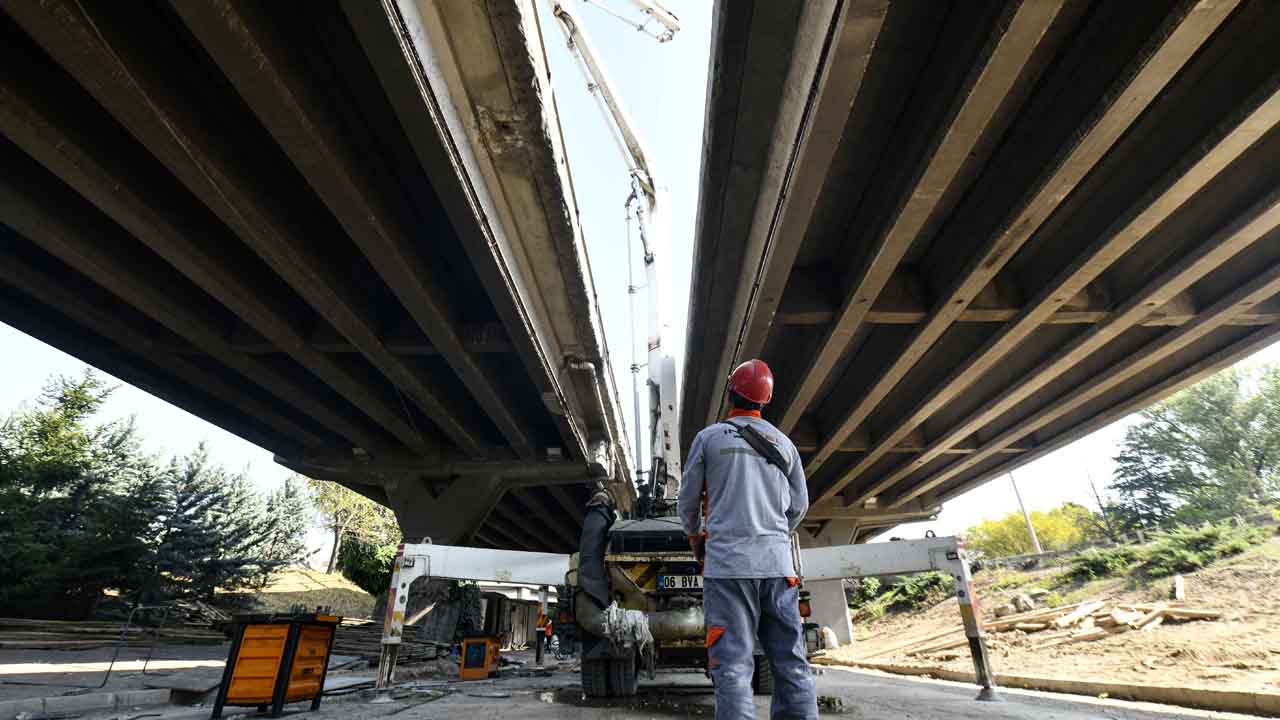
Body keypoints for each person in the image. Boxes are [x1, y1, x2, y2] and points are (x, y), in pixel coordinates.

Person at [678, 359, 817, 720]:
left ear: (730, 392)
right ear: (765, 401)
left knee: (734, 667)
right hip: (777, 568)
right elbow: (799, 505)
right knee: (791, 664)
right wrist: (772, 535)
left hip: (727, 571)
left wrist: (695, 537)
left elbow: (688, 500)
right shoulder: (784, 444)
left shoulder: (709, 439)